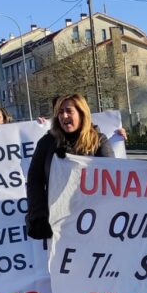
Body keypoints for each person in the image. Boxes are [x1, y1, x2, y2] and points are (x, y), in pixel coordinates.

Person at [25, 94, 115, 241]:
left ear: (81, 113)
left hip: (93, 221)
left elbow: (113, 178)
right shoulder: (47, 143)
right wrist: (39, 216)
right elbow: (35, 181)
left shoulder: (99, 141)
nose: (64, 116)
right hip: (57, 223)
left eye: (69, 111)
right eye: (60, 112)